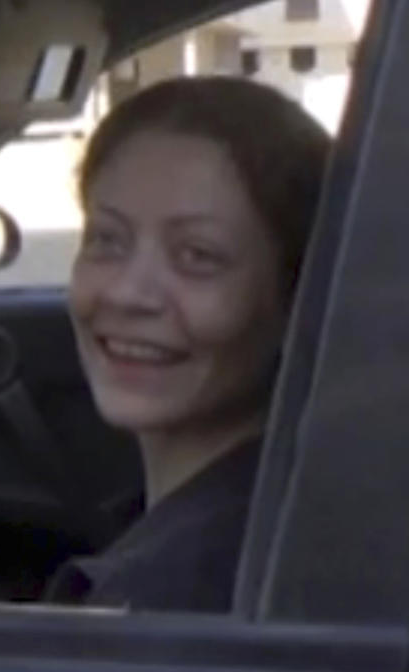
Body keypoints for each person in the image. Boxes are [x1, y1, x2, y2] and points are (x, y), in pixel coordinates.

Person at [47, 77, 331, 611]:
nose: (129, 294)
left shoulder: (179, 592)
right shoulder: (273, 507)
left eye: (198, 255)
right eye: (107, 239)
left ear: (296, 296)